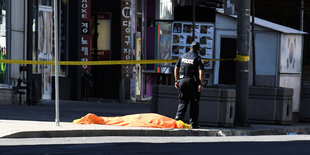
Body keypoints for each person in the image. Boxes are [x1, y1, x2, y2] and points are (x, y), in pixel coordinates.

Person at [174, 41, 204, 129]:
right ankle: (193, 124)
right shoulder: (198, 58)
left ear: (190, 48)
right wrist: (201, 84)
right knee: (194, 103)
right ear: (198, 50)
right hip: (193, 82)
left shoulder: (182, 56)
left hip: (182, 81)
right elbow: (201, 73)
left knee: (182, 102)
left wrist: (176, 80)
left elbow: (176, 68)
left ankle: (178, 121)